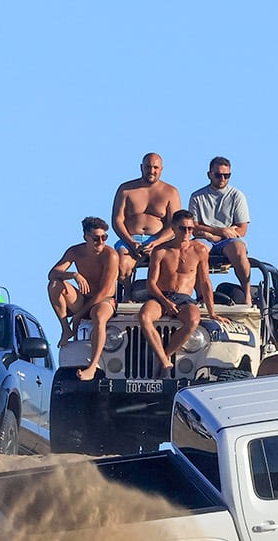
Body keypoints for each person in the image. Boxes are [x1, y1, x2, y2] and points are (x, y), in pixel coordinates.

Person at [137, 210, 217, 373]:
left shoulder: (200, 250)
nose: (187, 232)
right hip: (161, 296)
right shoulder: (160, 251)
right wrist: (166, 302)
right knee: (144, 316)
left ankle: (165, 357)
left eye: (190, 229)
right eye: (183, 228)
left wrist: (212, 312)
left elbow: (205, 282)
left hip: (184, 298)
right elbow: (151, 283)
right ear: (173, 227)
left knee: (193, 321)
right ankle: (164, 361)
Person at [47, 216, 121, 379]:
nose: (100, 242)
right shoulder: (75, 251)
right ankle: (65, 328)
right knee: (54, 285)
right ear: (85, 237)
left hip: (104, 300)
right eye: (96, 238)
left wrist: (80, 315)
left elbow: (104, 291)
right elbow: (52, 274)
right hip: (83, 299)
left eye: (104, 237)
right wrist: (74, 274)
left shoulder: (111, 255)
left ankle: (92, 367)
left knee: (99, 316)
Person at [187, 156, 254, 305]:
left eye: (227, 175)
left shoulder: (237, 196)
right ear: (209, 174)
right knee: (195, 249)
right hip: (206, 239)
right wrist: (221, 231)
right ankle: (201, 297)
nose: (222, 179)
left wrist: (215, 235)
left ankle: (247, 294)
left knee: (239, 250)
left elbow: (242, 229)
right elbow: (194, 226)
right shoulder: (197, 197)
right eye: (218, 175)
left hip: (228, 240)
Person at [111, 152, 182, 285]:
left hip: (158, 240)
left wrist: (156, 243)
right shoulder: (126, 189)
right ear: (141, 167)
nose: (151, 171)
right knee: (122, 263)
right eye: (148, 167)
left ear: (161, 169)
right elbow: (117, 220)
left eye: (155, 168)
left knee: (168, 263)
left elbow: (174, 225)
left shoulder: (170, 192)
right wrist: (131, 243)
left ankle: (159, 294)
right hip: (130, 239)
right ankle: (127, 295)